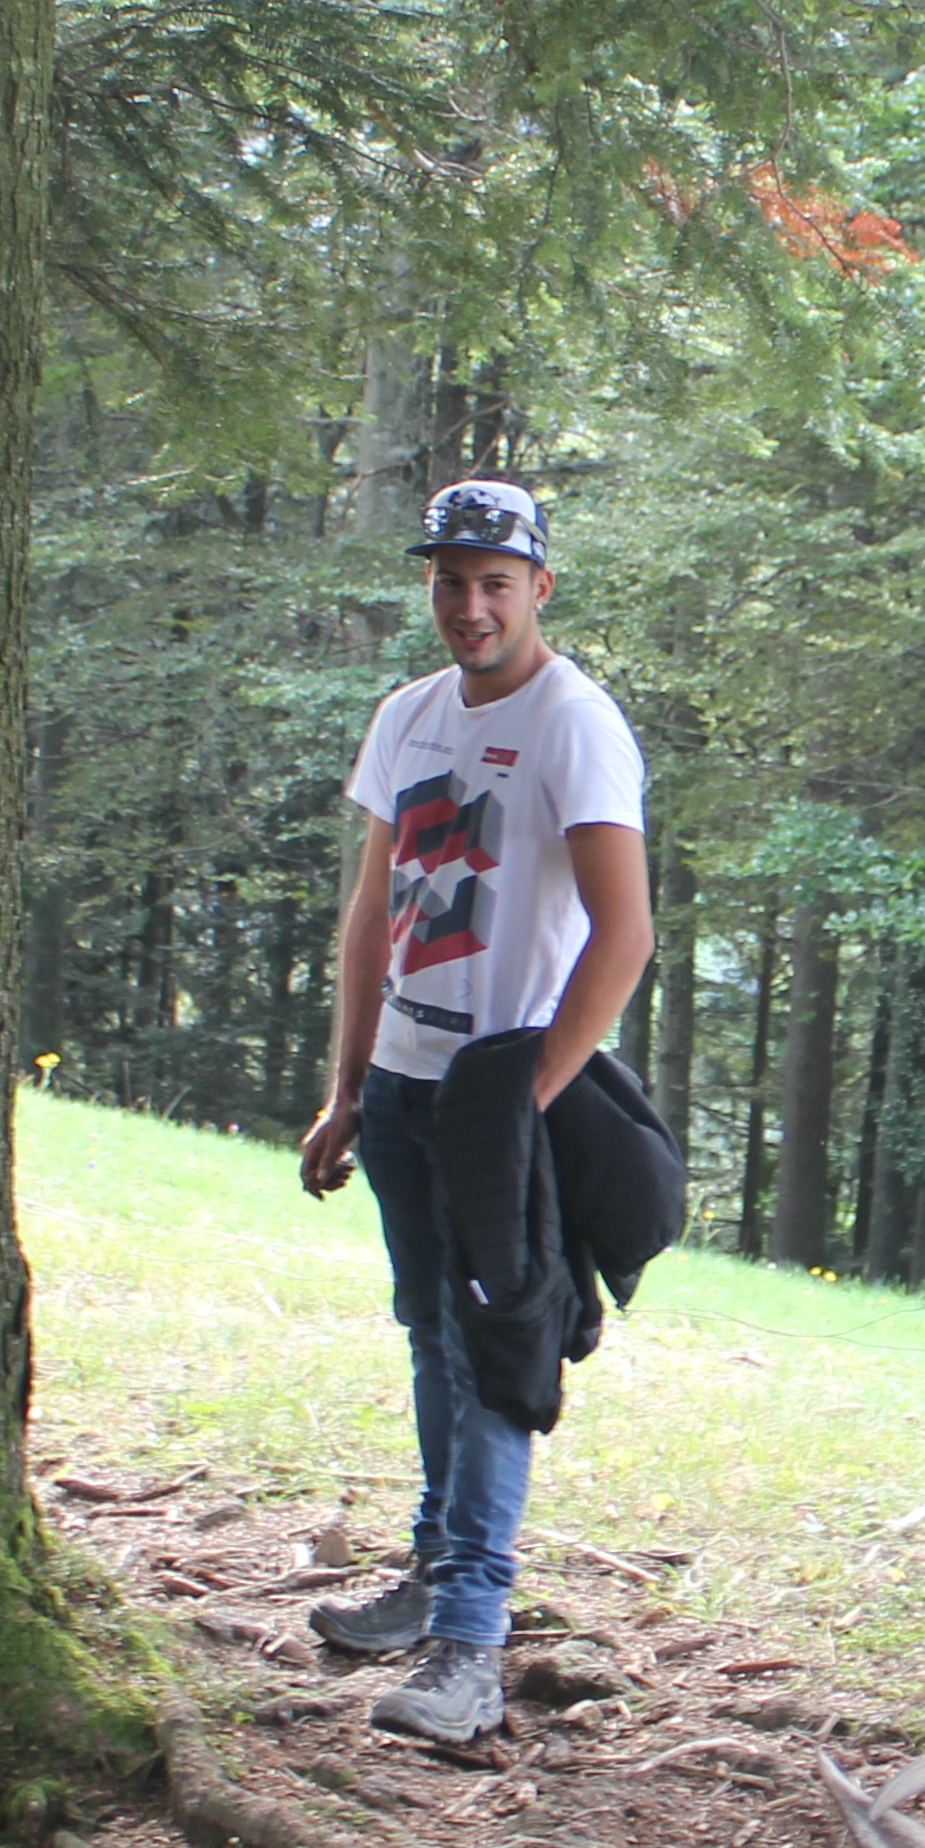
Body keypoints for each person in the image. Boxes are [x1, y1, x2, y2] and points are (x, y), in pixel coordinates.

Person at [291, 476, 657, 1752]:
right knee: (429, 1333)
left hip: (502, 1089)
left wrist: (527, 1103)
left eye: (495, 582)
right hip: (401, 1080)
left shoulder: (577, 725)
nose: (470, 605)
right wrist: (346, 1085)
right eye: (450, 581)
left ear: (539, 589)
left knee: (496, 1353)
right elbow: (371, 909)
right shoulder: (406, 718)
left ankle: (470, 1645)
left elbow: (627, 935)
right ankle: (434, 1576)